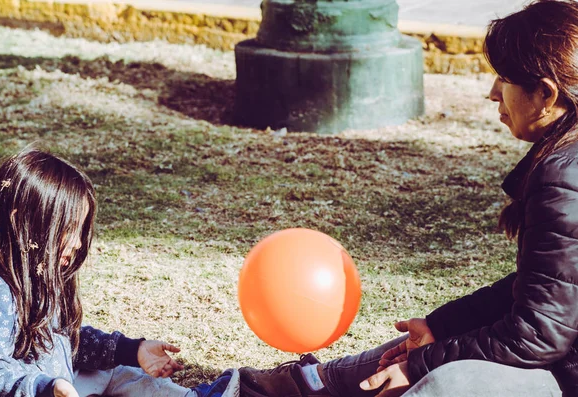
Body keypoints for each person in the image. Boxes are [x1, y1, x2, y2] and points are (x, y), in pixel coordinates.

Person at [238, 0, 578, 396]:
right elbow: (548, 288)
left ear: (546, 94)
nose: (493, 93)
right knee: (428, 346)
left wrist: (419, 367)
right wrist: (441, 325)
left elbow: (537, 335)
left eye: (504, 77)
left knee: (447, 383)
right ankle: (308, 383)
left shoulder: (562, 175)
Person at [0, 148, 240, 397]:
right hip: (40, 390)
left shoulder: (37, 272)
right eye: (68, 229)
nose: (78, 243)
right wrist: (45, 388)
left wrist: (132, 351)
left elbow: (67, 340)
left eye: (80, 231)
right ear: (21, 222)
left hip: (62, 382)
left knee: (118, 371)